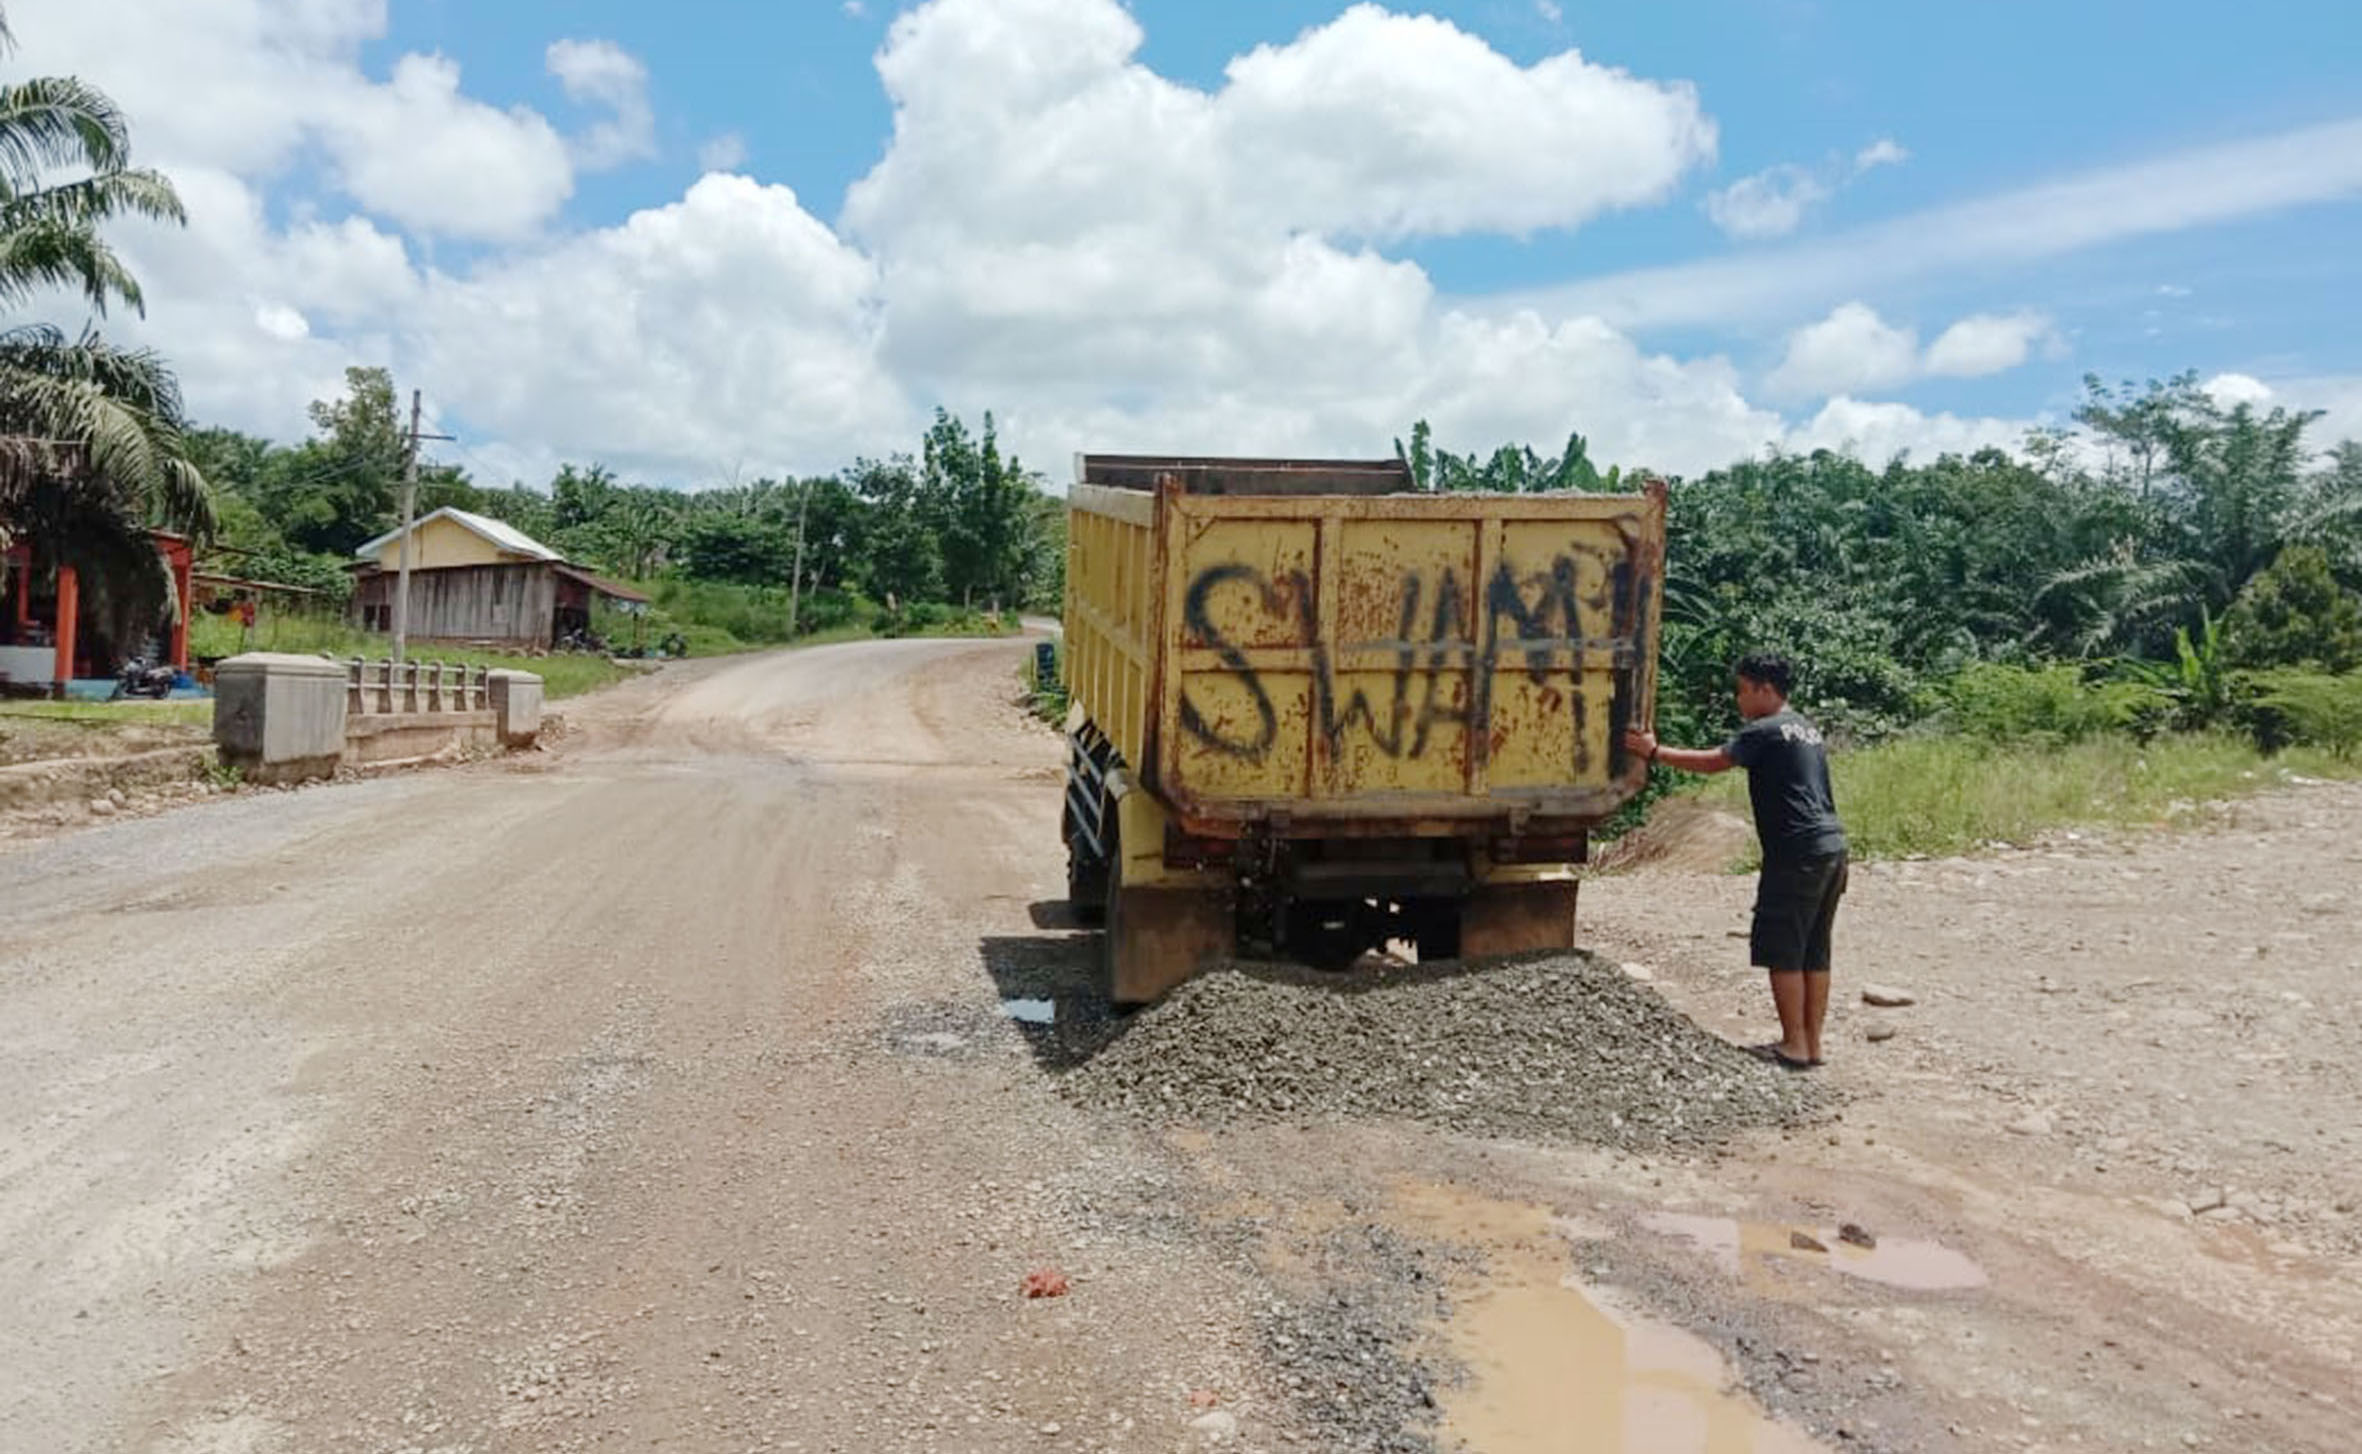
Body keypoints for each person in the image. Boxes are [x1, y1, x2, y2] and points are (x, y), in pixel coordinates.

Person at [1622, 651, 1849, 1070]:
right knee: (1814, 949)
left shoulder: (1764, 730)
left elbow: (1715, 762)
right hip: (1832, 848)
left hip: (1796, 851)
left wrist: (1654, 752)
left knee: (1783, 947)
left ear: (1765, 689)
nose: (1739, 701)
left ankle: (1793, 1045)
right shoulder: (1805, 728)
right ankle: (1812, 1044)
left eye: (1743, 691)